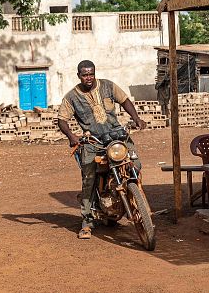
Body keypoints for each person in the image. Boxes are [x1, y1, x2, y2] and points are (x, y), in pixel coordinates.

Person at [57, 60, 147, 239]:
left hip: (117, 136)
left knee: (135, 164)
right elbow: (62, 119)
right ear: (79, 76)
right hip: (93, 141)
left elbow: (125, 100)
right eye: (84, 74)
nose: (88, 77)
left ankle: (136, 199)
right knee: (88, 178)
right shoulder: (71, 97)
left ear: (94, 73)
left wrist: (136, 118)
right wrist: (72, 136)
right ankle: (87, 221)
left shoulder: (108, 86)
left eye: (91, 73)